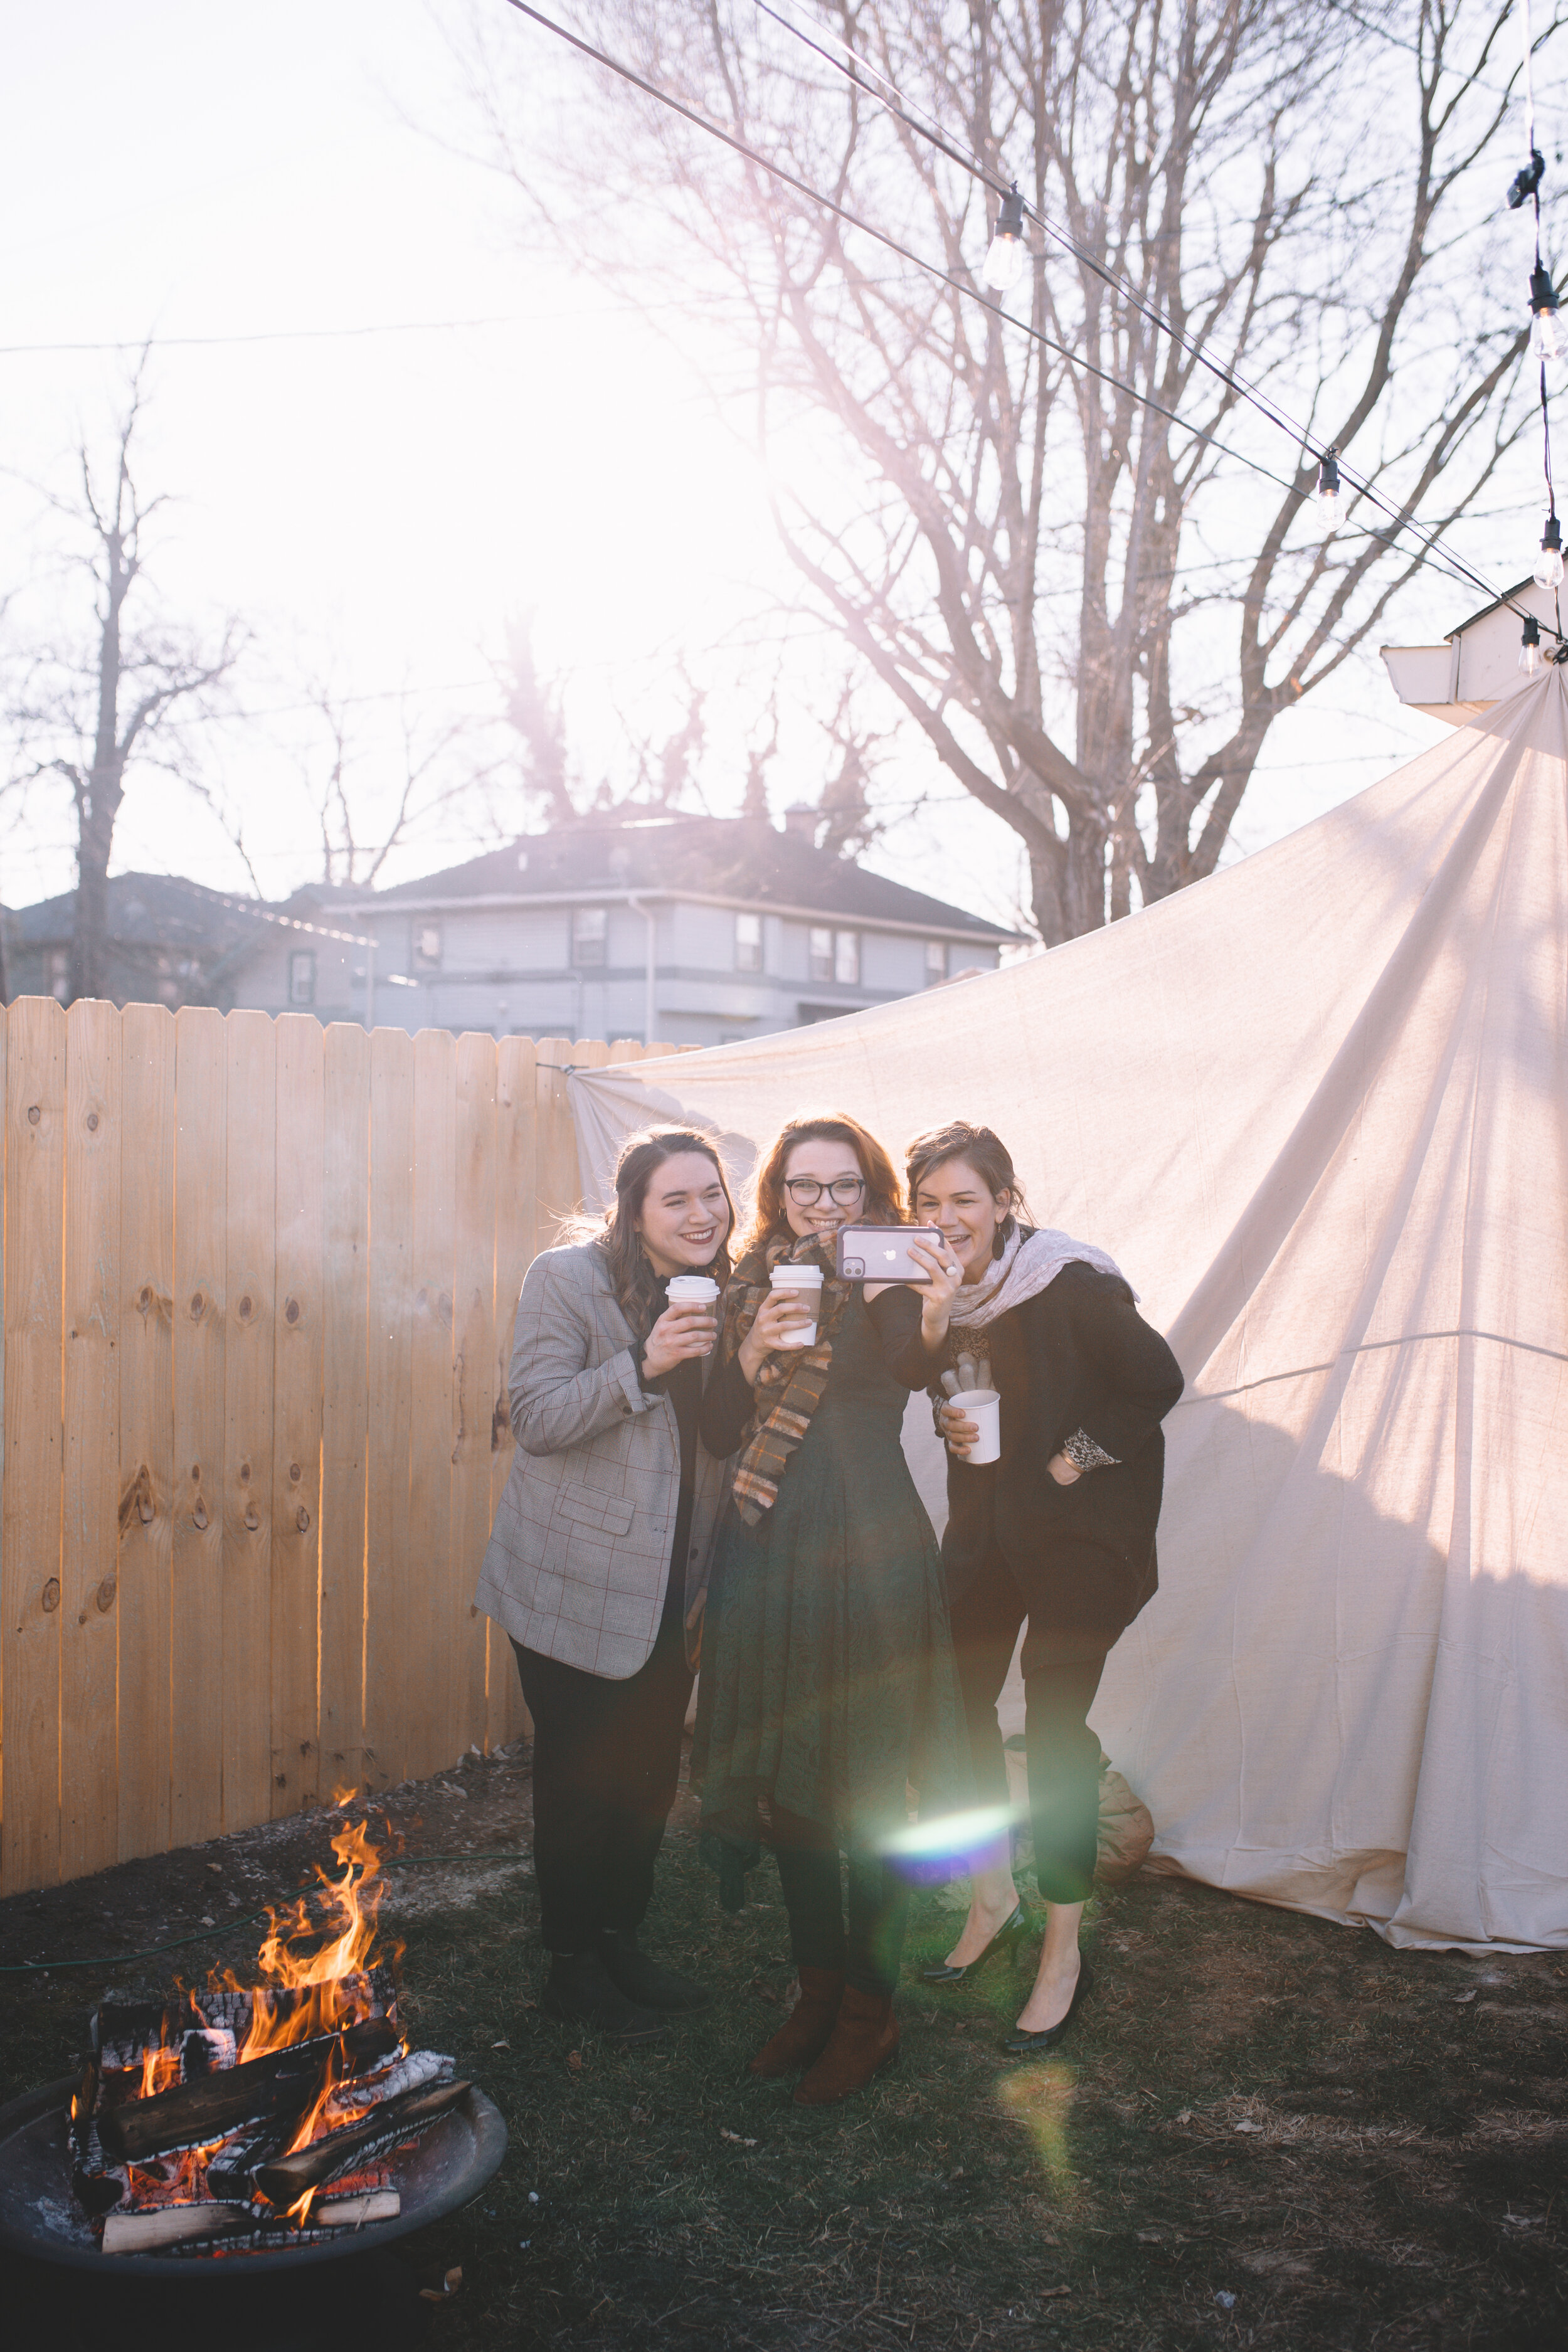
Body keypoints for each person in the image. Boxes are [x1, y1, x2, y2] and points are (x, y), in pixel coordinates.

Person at [694, 1113, 968, 2107]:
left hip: (867, 1544)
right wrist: (754, 1348)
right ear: (778, 1194)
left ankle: (870, 2011)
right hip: (769, 1549)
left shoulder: (886, 1271)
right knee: (793, 1785)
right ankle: (816, 1993)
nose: (824, 1201)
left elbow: (912, 1366)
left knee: (866, 1788)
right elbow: (720, 1428)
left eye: (844, 1184)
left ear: (871, 1192)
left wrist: (935, 1312)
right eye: (805, 1185)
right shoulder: (748, 1285)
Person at [894, 1121, 1183, 2055]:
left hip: (1081, 1535)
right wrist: (949, 1410)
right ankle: (993, 1894)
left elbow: (1156, 1381)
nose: (947, 1219)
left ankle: (1064, 1953)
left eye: (964, 1201)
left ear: (1005, 1201)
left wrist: (1074, 1456)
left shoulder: (1071, 1280)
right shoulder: (938, 1291)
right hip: (987, 1531)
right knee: (957, 1700)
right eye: (929, 1204)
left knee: (1056, 1724)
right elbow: (943, 1390)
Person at [475, 1126, 739, 2045]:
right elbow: (539, 1417)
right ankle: (571, 1964)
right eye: (677, 1198)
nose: (702, 1213)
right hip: (574, 1575)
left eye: (712, 1193)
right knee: (581, 1780)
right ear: (633, 1211)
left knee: (647, 1778)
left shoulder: (727, 1291)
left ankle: (620, 1936)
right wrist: (645, 1364)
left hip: (676, 1580)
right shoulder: (566, 1278)